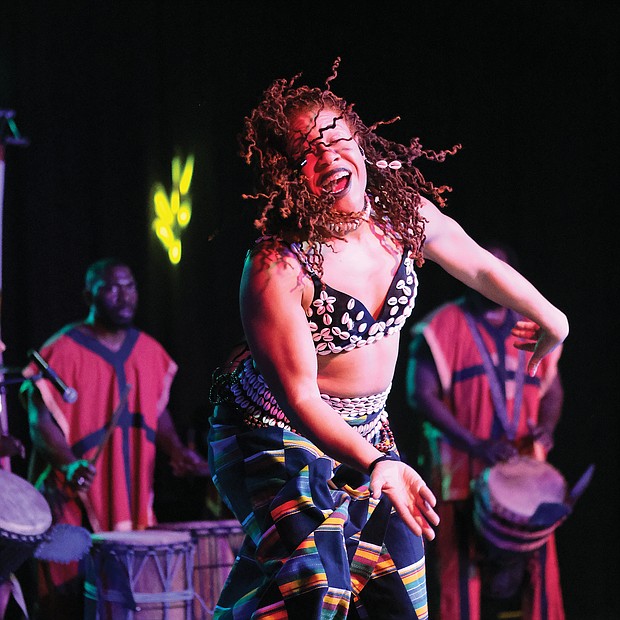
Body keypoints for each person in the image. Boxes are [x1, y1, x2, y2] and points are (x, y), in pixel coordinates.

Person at [207, 57, 568, 620]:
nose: (326, 157)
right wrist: (378, 462)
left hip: (367, 429)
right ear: (284, 176)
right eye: (305, 153)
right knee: (316, 589)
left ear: (362, 142)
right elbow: (300, 399)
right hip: (274, 432)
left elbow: (478, 267)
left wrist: (551, 316)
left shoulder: (402, 217)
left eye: (334, 139)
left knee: (396, 597)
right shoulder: (278, 267)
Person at [21, 257, 209, 619]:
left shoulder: (148, 351)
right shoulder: (62, 350)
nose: (124, 297)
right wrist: (69, 462)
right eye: (111, 287)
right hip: (70, 499)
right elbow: (38, 421)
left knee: (121, 602)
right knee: (65, 603)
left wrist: (177, 451)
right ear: (89, 294)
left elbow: (156, 413)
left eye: (130, 286)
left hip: (130, 495)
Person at [405, 241, 565, 619]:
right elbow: (420, 394)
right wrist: (474, 444)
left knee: (540, 572)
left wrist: (546, 427)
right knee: (458, 573)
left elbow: (553, 389)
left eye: (503, 272)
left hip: (525, 478)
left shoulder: (533, 326)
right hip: (461, 474)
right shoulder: (440, 327)